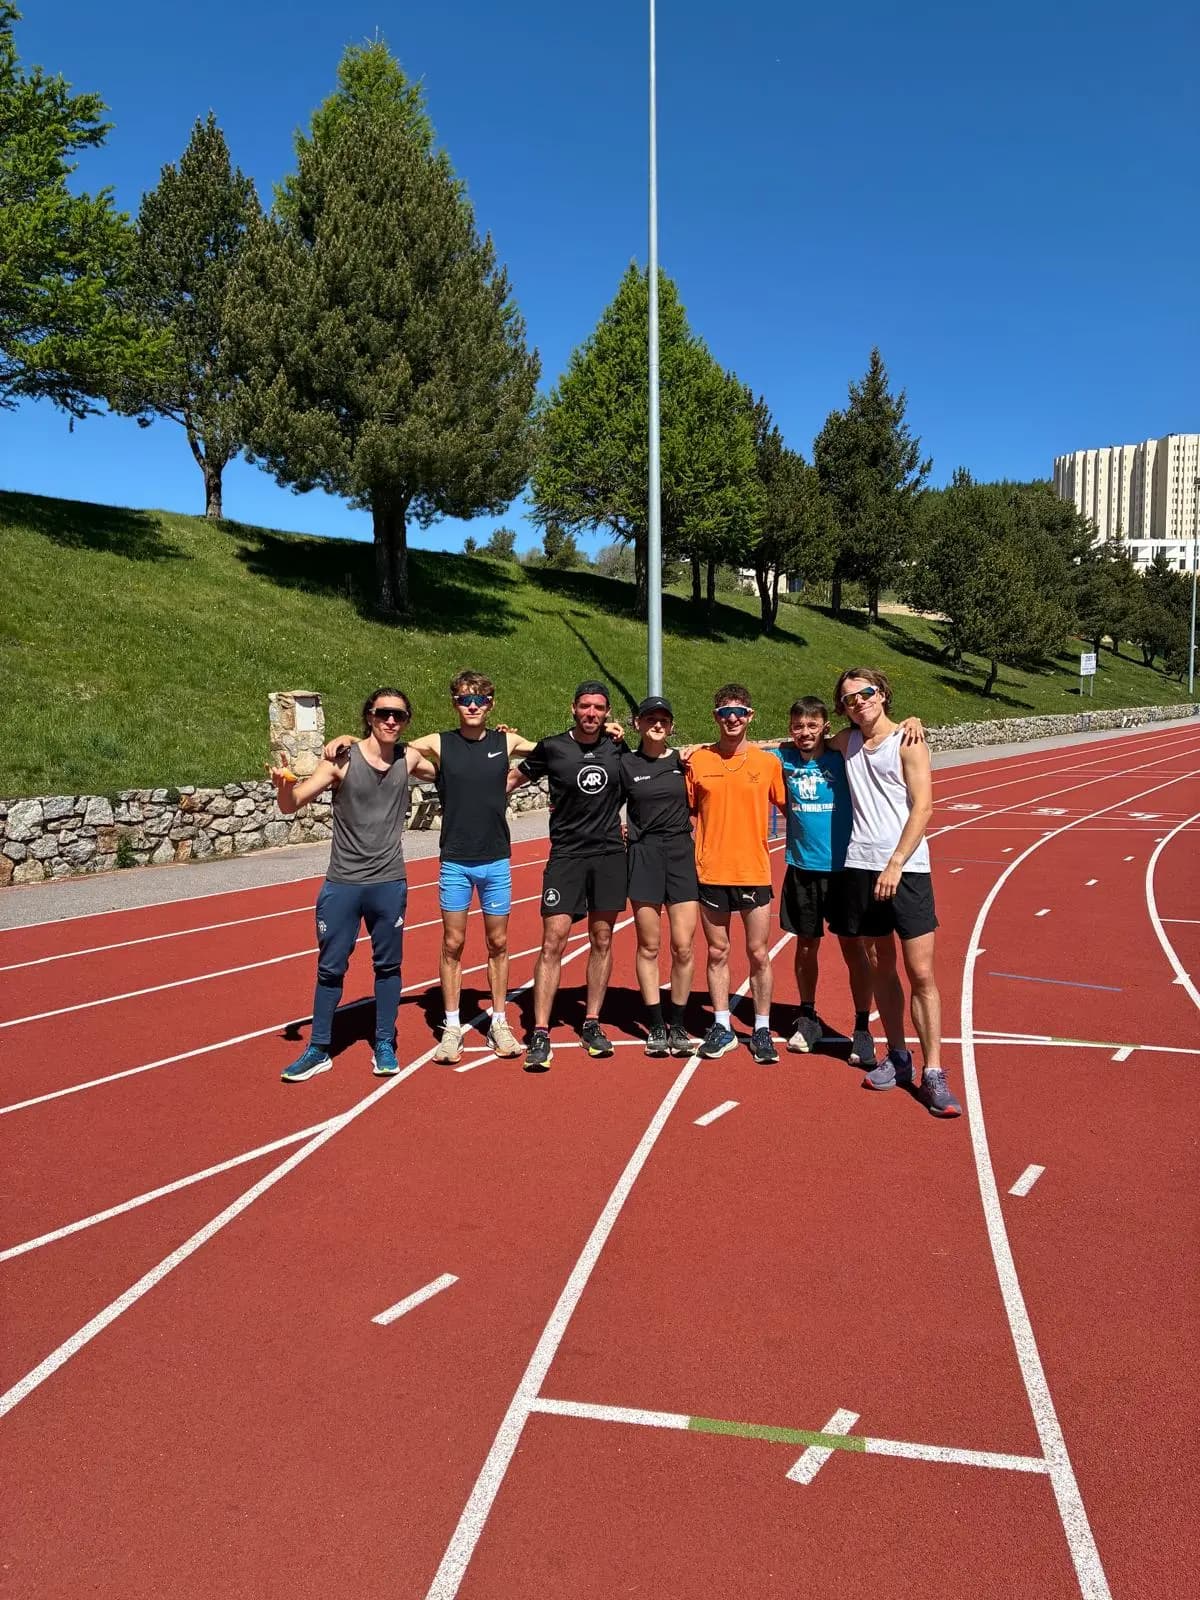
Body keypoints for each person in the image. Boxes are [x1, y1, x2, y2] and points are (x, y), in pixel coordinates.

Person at [329, 671, 530, 1063]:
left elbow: (557, 750)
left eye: (481, 700)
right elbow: (385, 744)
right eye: (465, 699)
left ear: (492, 704)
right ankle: (452, 1027)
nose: (473, 706)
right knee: (453, 943)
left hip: (496, 861)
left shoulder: (508, 741)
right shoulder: (440, 743)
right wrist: (347, 740)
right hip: (455, 861)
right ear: (454, 702)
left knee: (499, 943)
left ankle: (499, 1022)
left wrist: (604, 733)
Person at [272, 687, 435, 1083]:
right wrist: (281, 784)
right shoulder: (341, 762)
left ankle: (384, 1041)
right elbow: (291, 804)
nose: (391, 721)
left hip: (389, 882)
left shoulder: (410, 758)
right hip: (343, 883)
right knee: (330, 968)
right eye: (383, 714)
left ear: (407, 721)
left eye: (399, 715)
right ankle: (318, 1048)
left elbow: (457, 768)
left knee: (388, 966)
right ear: (369, 716)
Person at [827, 666, 961, 1118]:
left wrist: (897, 863)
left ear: (882, 693)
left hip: (905, 869)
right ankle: (899, 1056)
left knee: (920, 972)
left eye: (865, 693)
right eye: (848, 698)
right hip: (860, 866)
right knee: (883, 968)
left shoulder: (908, 740)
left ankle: (935, 1071)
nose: (858, 701)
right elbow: (802, 742)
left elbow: (924, 806)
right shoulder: (846, 743)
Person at [773, 697, 923, 1066]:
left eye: (812, 726)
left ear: (826, 727)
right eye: (798, 726)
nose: (805, 733)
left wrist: (911, 719)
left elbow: (876, 731)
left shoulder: (843, 754)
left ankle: (861, 1027)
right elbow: (742, 753)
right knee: (806, 947)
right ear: (790, 728)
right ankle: (807, 1017)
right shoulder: (782, 757)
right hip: (802, 868)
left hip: (846, 868)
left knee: (855, 950)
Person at [508, 681, 629, 1072]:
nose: (591, 713)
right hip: (567, 857)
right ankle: (540, 1031)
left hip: (610, 855)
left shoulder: (617, 748)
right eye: (584, 707)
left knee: (603, 938)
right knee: (553, 941)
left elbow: (645, 777)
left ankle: (591, 1022)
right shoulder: (552, 747)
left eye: (598, 708)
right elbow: (511, 781)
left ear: (607, 713)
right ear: (573, 708)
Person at [684, 684, 788, 1064]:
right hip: (711, 872)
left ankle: (761, 1028)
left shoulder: (768, 763)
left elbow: (793, 806)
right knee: (717, 951)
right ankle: (723, 1025)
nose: (732, 718)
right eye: (725, 712)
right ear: (715, 717)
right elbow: (687, 811)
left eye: (740, 712)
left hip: (754, 872)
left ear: (750, 717)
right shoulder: (697, 761)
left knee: (759, 953)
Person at [620, 696, 698, 1058]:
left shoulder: (685, 762)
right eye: (650, 718)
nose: (657, 723)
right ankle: (654, 1024)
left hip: (681, 854)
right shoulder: (625, 763)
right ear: (638, 723)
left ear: (671, 725)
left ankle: (678, 1022)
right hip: (644, 854)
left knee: (683, 945)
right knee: (648, 945)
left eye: (664, 718)